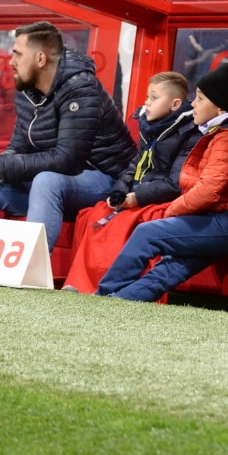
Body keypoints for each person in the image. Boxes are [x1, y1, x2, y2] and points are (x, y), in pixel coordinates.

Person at [0, 21, 133, 251]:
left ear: (40, 59)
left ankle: (31, 265)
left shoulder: (81, 88)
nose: (11, 61)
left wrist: (2, 165)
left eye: (17, 54)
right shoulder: (27, 89)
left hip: (106, 179)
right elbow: (19, 146)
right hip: (59, 178)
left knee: (47, 180)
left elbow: (68, 159)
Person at [96, 63, 228, 302]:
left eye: (200, 99)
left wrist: (171, 212)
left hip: (227, 223)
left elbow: (208, 191)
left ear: (220, 107)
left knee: (147, 233)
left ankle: (102, 295)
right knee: (170, 269)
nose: (193, 104)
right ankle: (117, 301)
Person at [62, 71, 202, 293]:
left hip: (159, 200)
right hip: (136, 195)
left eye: (154, 98)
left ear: (175, 104)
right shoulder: (150, 127)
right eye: (147, 97)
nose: (147, 103)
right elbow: (134, 166)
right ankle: (80, 284)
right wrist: (118, 191)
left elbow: (175, 183)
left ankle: (113, 289)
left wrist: (137, 197)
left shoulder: (189, 133)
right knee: (96, 213)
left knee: (126, 222)